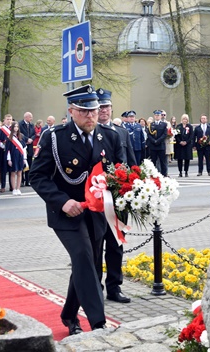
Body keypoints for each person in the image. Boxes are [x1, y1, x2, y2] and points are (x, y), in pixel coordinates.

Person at [30, 85, 109, 335]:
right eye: (85, 111)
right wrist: (62, 201)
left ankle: (69, 314)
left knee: (90, 265)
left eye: (94, 111)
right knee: (84, 257)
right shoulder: (55, 137)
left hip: (96, 212)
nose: (91, 117)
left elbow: (118, 171)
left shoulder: (107, 135)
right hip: (66, 212)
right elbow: (37, 176)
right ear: (72, 111)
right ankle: (98, 323)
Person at [94, 89, 131, 305]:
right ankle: (96, 287)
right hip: (96, 199)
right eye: (100, 107)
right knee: (96, 245)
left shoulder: (121, 133)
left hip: (117, 198)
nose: (103, 111)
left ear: (111, 109)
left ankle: (114, 287)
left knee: (116, 245)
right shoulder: (90, 132)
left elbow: (128, 162)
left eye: (106, 107)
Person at [146, 110, 169, 176]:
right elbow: (149, 134)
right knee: (153, 161)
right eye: (156, 115)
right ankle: (153, 175)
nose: (157, 117)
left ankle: (164, 175)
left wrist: (158, 141)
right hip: (153, 146)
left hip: (161, 145)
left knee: (163, 162)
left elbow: (164, 134)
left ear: (160, 116)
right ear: (154, 116)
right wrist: (154, 141)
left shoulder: (164, 124)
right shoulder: (151, 124)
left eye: (158, 115)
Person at [0, 114, 14, 192]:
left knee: (12, 170)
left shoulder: (14, 129)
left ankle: (11, 186)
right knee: (3, 170)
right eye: (7, 119)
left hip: (12, 151)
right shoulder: (1, 130)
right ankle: (3, 186)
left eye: (10, 119)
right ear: (4, 120)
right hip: (3, 152)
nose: (9, 120)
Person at [19, 112, 36, 187]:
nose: (31, 119)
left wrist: (31, 139)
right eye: (30, 117)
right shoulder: (20, 124)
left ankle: (28, 180)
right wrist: (26, 139)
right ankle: (22, 180)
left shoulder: (32, 125)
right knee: (23, 163)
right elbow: (20, 134)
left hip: (30, 146)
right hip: (23, 145)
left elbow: (34, 134)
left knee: (29, 163)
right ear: (26, 117)